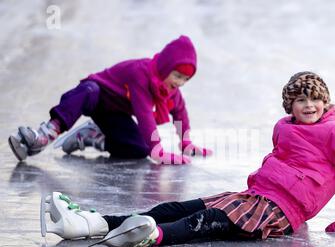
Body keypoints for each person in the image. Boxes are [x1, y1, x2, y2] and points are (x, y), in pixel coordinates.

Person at [40, 71, 335, 247]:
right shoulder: (286, 128)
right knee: (178, 207)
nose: (310, 105)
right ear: (289, 106)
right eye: (302, 100)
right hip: (258, 196)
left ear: (326, 101)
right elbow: (288, 163)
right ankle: (94, 223)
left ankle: (152, 236)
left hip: (278, 209)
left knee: (210, 220)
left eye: (317, 99)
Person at [8, 35, 212, 164]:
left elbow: (179, 113)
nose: (181, 83)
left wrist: (185, 142)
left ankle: (92, 137)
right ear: (165, 68)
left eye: (186, 79)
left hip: (115, 113)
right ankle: (48, 132)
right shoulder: (140, 73)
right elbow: (143, 114)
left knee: (140, 148)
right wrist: (158, 149)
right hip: (98, 96)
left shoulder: (170, 90)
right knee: (88, 90)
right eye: (177, 76)